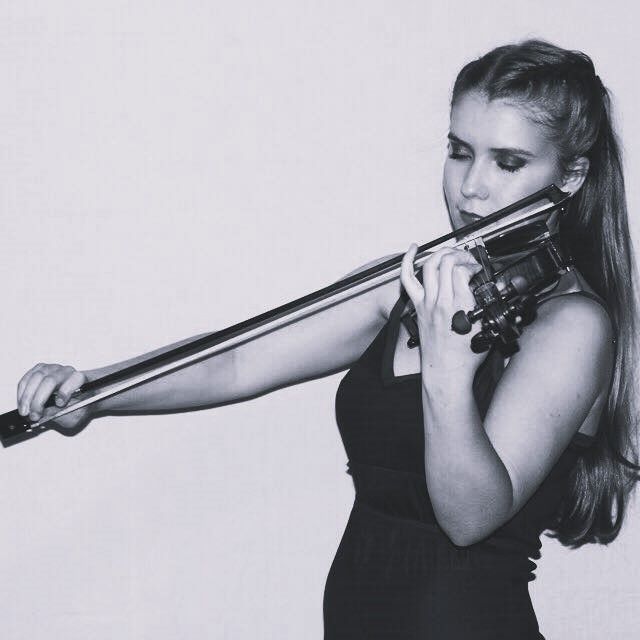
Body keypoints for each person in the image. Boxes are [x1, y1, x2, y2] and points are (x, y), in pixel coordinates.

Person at [14, 39, 639, 638]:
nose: (471, 186)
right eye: (459, 152)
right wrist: (95, 391)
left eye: (508, 163)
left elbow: (469, 518)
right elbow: (236, 361)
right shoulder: (412, 284)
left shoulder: (574, 325)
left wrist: (447, 375)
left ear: (570, 176)